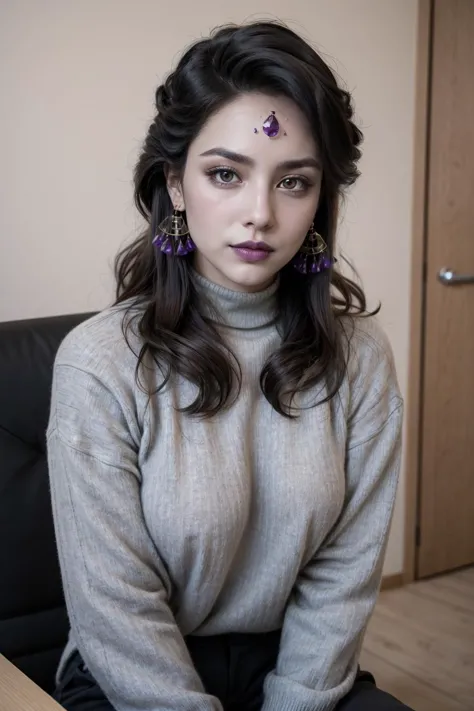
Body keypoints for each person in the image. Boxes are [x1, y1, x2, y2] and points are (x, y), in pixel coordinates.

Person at [47, 20, 410, 711]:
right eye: (224, 174)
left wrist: (296, 699)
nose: (259, 214)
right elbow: (114, 605)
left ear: (321, 201)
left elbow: (343, 575)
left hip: (297, 668)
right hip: (134, 674)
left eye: (294, 182)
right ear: (175, 185)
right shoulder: (99, 363)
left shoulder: (361, 359)